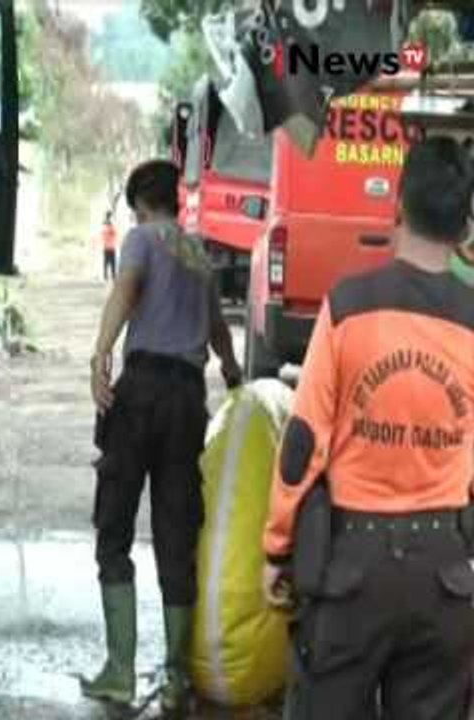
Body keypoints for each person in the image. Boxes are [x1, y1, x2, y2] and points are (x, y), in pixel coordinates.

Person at [262, 137, 474, 719]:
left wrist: (277, 548)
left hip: (351, 570)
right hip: (446, 577)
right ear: (465, 225)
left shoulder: (350, 305)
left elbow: (302, 443)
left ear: (397, 205)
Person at [82, 160, 243, 714]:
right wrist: (232, 369)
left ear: (140, 205)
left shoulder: (141, 238)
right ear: (175, 200)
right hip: (186, 400)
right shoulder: (199, 253)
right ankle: (175, 677)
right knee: (177, 533)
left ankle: (120, 671)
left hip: (144, 390)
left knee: (115, 527)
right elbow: (219, 326)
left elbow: (126, 288)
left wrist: (102, 352)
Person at [100, 213, 119, 282]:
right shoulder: (110, 226)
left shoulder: (104, 225)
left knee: (106, 262)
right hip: (110, 246)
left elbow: (103, 235)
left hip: (107, 246)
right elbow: (114, 233)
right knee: (111, 262)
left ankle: (106, 276)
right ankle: (111, 276)